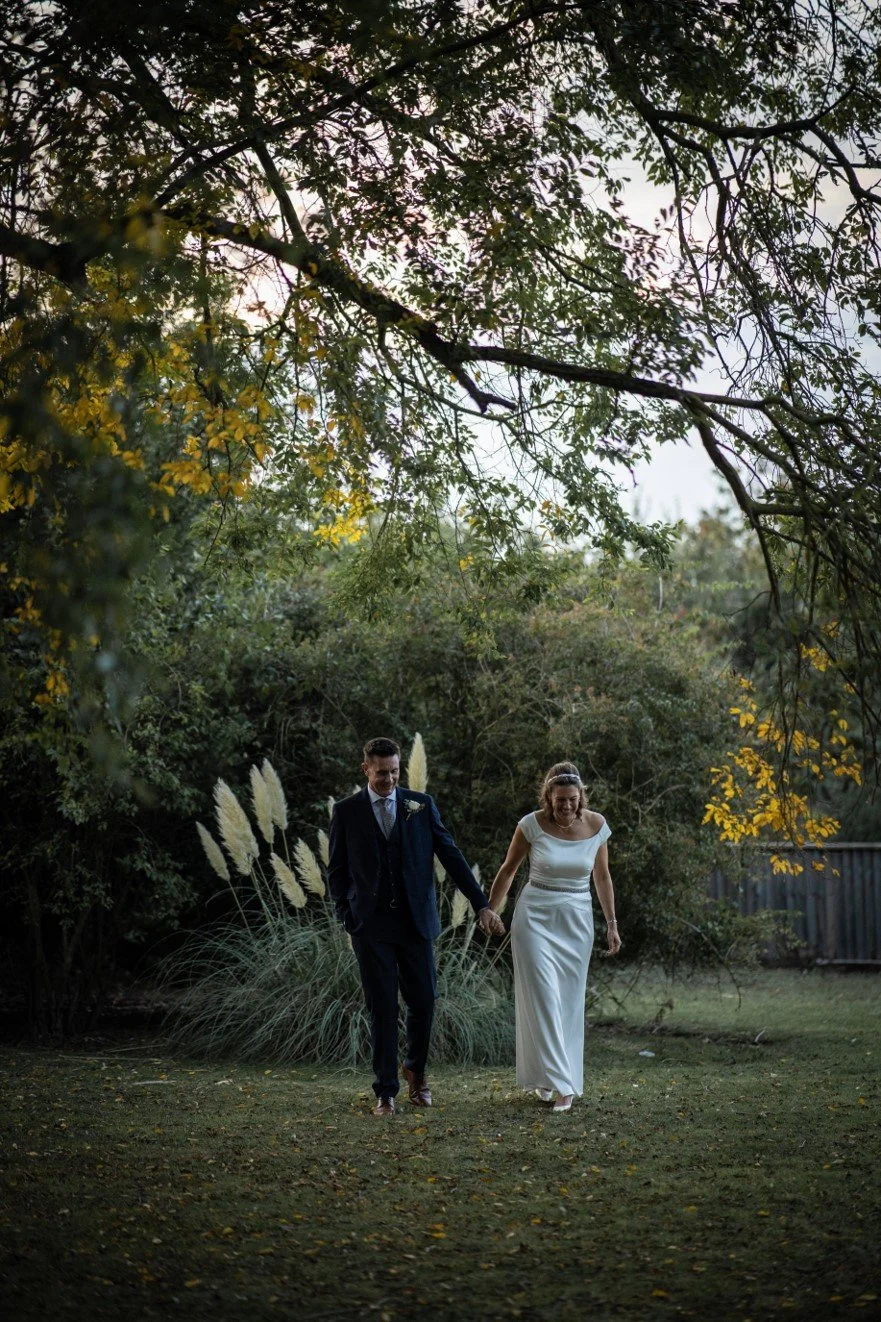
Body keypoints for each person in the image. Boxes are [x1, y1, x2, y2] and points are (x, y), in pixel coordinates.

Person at [329, 736, 505, 1115]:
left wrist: (482, 905)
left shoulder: (420, 806)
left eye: (395, 771)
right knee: (382, 1008)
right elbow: (337, 870)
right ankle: (386, 1091)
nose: (389, 779)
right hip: (371, 927)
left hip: (416, 923)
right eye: (381, 774)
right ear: (365, 769)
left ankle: (415, 1070)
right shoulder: (347, 812)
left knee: (423, 1002)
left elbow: (452, 855)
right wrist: (347, 913)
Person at [487, 762, 621, 1113]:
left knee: (567, 1002)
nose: (567, 806)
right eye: (560, 800)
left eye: (573, 800)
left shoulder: (597, 825)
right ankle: (564, 1085)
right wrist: (490, 909)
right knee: (543, 997)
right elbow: (508, 869)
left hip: (576, 919)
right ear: (548, 797)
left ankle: (547, 1076)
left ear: (581, 798)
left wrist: (611, 922)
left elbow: (603, 877)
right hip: (535, 917)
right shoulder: (530, 825)